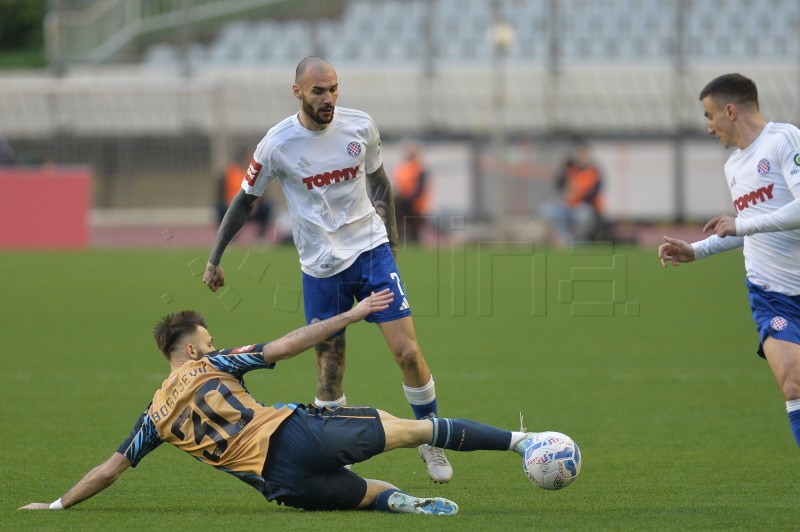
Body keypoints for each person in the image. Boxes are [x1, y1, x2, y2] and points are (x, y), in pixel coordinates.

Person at [17, 290, 540, 515]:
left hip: (281, 486)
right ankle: (524, 442)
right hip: (294, 434)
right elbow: (287, 346)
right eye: (210, 336)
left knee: (364, 494)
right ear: (194, 348)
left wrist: (57, 504)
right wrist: (352, 315)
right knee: (415, 430)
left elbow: (110, 470)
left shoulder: (154, 417)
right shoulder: (212, 363)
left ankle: (399, 501)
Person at [202, 56, 453, 482]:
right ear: (297, 92)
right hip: (320, 267)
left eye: (334, 88)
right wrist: (214, 257)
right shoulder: (277, 144)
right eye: (319, 91)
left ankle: (429, 439)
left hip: (370, 252)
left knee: (408, 351)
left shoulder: (360, 126)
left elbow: (379, 181)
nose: (329, 98)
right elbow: (245, 200)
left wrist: (389, 238)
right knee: (330, 367)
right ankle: (339, 454)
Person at [658, 73, 800, 448]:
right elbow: (745, 231)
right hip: (771, 294)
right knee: (792, 383)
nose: (708, 127)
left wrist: (741, 225)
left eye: (709, 115)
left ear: (730, 110)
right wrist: (696, 250)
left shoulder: (784, 140)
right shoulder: (734, 167)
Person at [540, 141, 605, 246]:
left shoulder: (594, 171)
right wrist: (563, 171)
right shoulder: (571, 169)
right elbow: (558, 185)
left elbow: (593, 192)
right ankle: (563, 238)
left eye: (584, 155)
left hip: (586, 207)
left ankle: (580, 241)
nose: (582, 157)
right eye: (580, 154)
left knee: (581, 214)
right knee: (546, 210)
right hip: (568, 206)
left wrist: (577, 192)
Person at [216, 150, 272, 239]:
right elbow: (220, 192)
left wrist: (256, 203)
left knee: (267, 206)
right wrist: (229, 202)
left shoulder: (257, 172)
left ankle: (261, 237)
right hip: (232, 205)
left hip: (252, 205)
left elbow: (263, 191)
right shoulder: (229, 172)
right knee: (219, 207)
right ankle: (226, 237)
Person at [392, 140, 431, 243]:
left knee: (413, 226)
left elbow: (419, 189)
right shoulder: (403, 167)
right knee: (398, 220)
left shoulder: (419, 168)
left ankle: (412, 242)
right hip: (404, 201)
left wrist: (408, 200)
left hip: (415, 203)